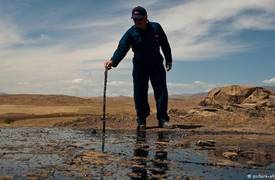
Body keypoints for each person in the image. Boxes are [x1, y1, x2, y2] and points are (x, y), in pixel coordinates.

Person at [105, 6, 172, 129]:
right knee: (140, 92)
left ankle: (162, 119)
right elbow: (122, 48)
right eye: (134, 19)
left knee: (161, 91)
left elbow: (165, 44)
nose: (137, 22)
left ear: (146, 17)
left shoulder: (156, 27)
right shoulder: (131, 32)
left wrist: (169, 59)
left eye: (139, 19)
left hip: (156, 64)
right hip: (140, 66)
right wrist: (113, 61)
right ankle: (141, 120)